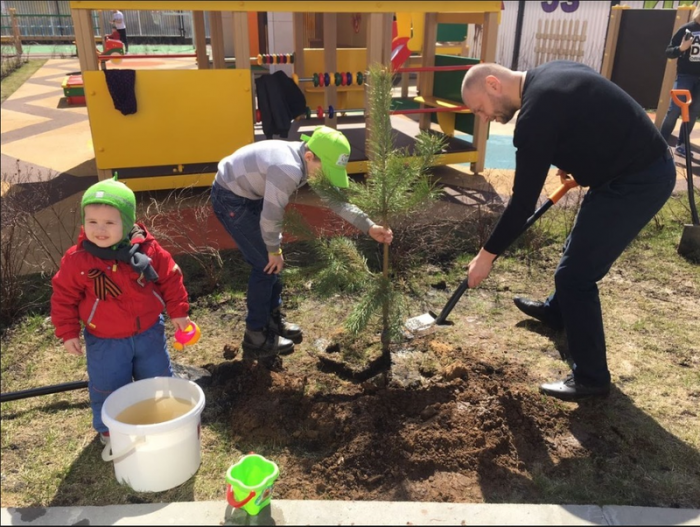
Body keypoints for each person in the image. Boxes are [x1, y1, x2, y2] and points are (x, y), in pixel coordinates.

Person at [460, 61, 676, 401]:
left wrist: (485, 257)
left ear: (493, 84)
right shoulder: (551, 74)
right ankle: (556, 312)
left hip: (639, 180)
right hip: (630, 168)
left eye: (479, 109)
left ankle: (591, 379)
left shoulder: (535, 115)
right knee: (576, 250)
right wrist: (575, 160)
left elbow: (522, 204)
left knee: (575, 276)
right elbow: (588, 114)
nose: (483, 118)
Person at [211, 126, 393, 359]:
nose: (326, 177)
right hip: (230, 197)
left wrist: (369, 226)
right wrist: (273, 249)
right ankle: (255, 335)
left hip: (252, 192)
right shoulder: (287, 169)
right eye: (326, 170)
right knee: (265, 264)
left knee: (272, 263)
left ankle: (272, 320)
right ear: (309, 156)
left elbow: (336, 201)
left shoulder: (309, 160)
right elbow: (271, 216)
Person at [51, 176, 191, 444]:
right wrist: (68, 331)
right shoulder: (78, 259)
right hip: (105, 339)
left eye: (109, 223)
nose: (99, 230)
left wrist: (178, 311)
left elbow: (170, 278)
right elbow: (63, 297)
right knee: (108, 385)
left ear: (127, 223)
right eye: (92, 222)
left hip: (149, 331)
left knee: (157, 379)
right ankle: (109, 429)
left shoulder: (148, 250)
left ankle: (159, 418)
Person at [659, 5, 700, 158]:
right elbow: (669, 52)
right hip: (685, 76)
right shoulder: (687, 28)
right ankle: (661, 143)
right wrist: (682, 48)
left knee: (693, 112)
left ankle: (682, 145)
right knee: (675, 109)